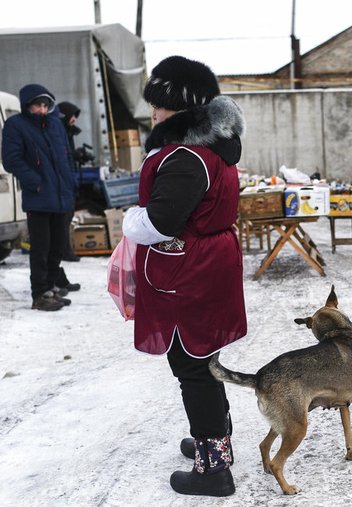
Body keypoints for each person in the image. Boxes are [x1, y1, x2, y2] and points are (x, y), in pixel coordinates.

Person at [121, 56, 247, 497]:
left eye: (159, 105)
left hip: (187, 274)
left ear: (180, 106)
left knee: (191, 365)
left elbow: (162, 222)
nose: (153, 113)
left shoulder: (185, 157)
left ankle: (213, 468)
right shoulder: (210, 148)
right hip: (206, 268)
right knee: (202, 359)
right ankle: (217, 441)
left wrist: (129, 221)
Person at [1, 84, 77, 311]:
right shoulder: (16, 125)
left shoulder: (55, 124)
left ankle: (51, 286)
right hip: (39, 196)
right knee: (41, 248)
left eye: (45, 105)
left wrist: (71, 183)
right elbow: (11, 159)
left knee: (58, 246)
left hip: (61, 195)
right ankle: (40, 294)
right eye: (37, 105)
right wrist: (34, 182)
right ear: (27, 106)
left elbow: (66, 156)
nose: (42, 110)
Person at [56, 101, 82, 263]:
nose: (74, 120)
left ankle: (65, 250)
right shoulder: (61, 132)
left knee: (68, 215)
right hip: (64, 181)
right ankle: (64, 251)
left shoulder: (68, 132)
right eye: (72, 116)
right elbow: (63, 156)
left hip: (69, 180)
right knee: (64, 218)